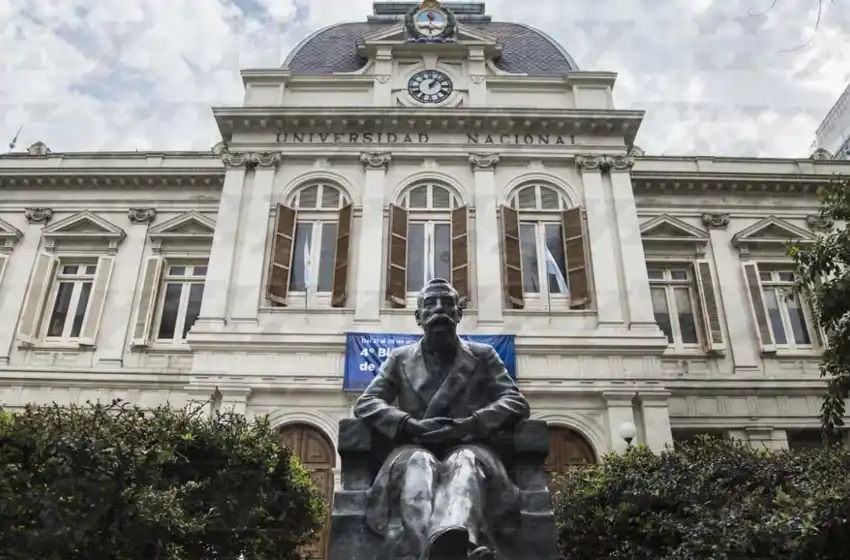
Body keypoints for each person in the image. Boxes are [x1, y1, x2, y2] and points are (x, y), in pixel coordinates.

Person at [354, 278, 530, 560]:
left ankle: (452, 546)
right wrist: (406, 423)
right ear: (418, 316)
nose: (439, 310)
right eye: (430, 304)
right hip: (414, 447)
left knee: (464, 465)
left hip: (469, 445)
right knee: (418, 465)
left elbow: (515, 401)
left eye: (447, 303)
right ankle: (455, 552)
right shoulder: (400, 359)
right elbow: (366, 402)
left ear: (459, 314)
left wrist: (471, 424)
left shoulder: (483, 356)